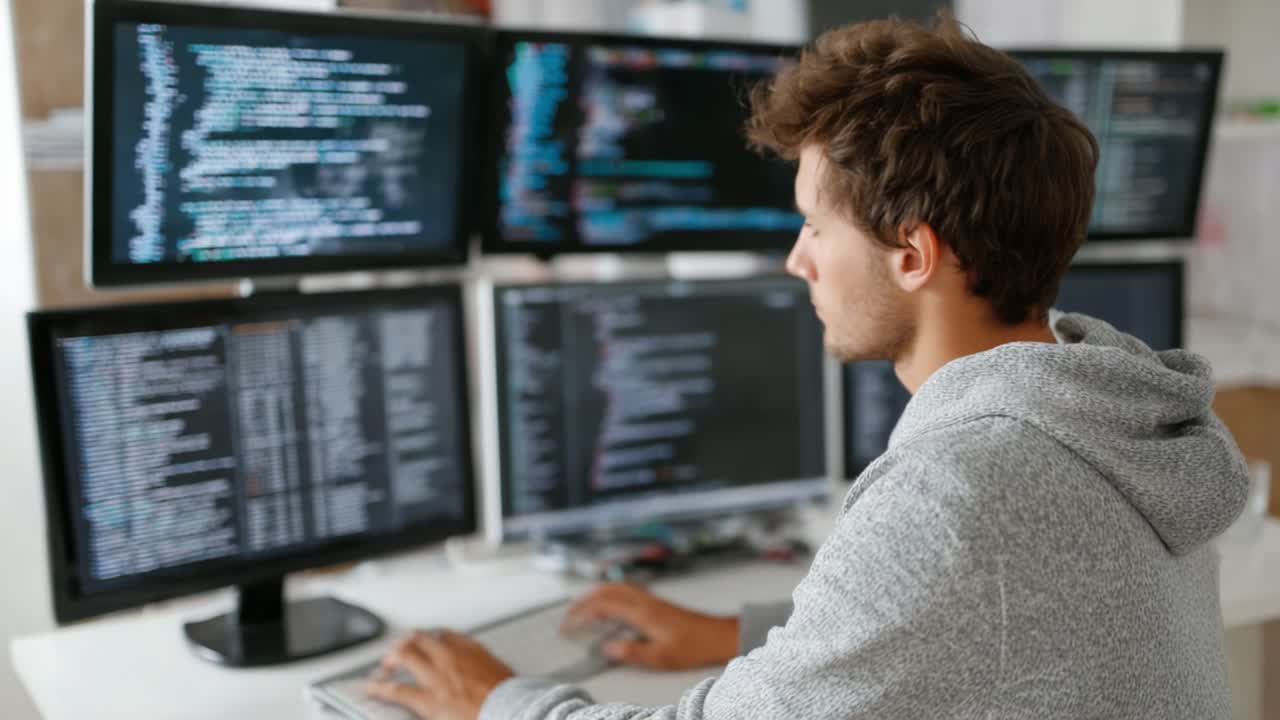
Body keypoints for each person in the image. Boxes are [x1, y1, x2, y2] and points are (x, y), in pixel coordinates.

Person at [367, 13, 1249, 720]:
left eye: (814, 226)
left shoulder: (961, 492)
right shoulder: (1116, 409)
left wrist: (492, 700)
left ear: (911, 253)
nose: (798, 260)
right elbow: (978, 626)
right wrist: (736, 631)